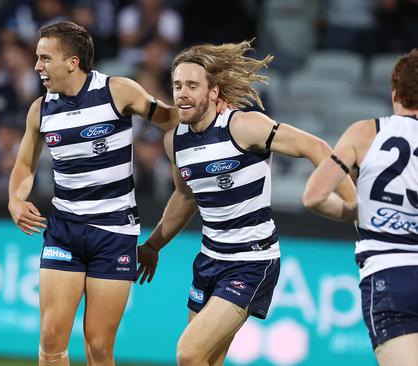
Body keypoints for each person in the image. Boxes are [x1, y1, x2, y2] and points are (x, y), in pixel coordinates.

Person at [135, 40, 357, 366]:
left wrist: (358, 213)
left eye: (192, 86)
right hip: (209, 260)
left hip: (251, 263)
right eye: (178, 85)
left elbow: (319, 149)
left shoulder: (243, 126)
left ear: (213, 92)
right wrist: (153, 245)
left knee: (188, 353)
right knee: (207, 360)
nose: (182, 93)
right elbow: (185, 197)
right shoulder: (175, 141)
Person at [7, 20, 193, 365]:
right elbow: (24, 164)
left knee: (99, 346)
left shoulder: (118, 91)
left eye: (45, 58)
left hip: (114, 233)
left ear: (72, 62)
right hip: (64, 231)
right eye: (37, 58)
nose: (37, 67)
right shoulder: (40, 109)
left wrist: (183, 168)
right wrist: (15, 200)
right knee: (51, 340)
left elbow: (170, 121)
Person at [303, 49, 418, 365]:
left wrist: (357, 210)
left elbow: (313, 196)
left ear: (394, 91)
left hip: (388, 274)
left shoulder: (365, 132)